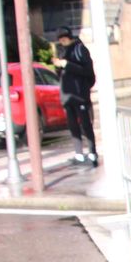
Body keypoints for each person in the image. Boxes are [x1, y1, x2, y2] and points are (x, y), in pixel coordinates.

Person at [53, 27, 97, 165]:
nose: (62, 40)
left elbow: (88, 72)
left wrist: (67, 65)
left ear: (69, 37)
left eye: (64, 38)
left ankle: (92, 152)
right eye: (60, 39)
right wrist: (59, 66)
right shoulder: (61, 51)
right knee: (73, 126)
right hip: (67, 96)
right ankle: (79, 153)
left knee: (86, 125)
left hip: (80, 95)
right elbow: (61, 75)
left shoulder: (80, 50)